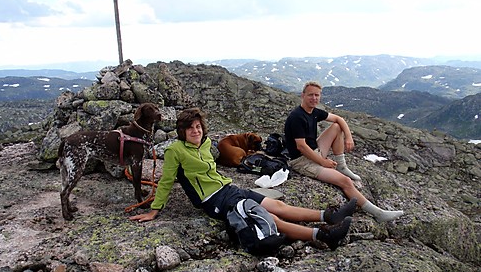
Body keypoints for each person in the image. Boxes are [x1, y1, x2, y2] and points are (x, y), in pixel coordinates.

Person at [130, 107, 356, 250]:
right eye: (190, 128)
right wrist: (154, 210)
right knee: (269, 218)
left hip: (228, 188)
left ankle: (329, 216)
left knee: (277, 205)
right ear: (182, 131)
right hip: (213, 201)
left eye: (198, 127)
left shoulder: (207, 143)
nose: (195, 131)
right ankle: (323, 235)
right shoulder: (175, 151)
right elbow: (167, 181)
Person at [284, 81, 403, 222]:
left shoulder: (314, 112)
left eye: (317, 95)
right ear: (303, 95)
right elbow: (301, 147)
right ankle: (378, 214)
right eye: (310, 95)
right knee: (345, 181)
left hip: (314, 151)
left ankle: (341, 165)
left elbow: (338, 119)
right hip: (302, 161)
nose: (314, 98)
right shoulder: (297, 117)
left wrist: (349, 137)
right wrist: (323, 162)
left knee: (336, 126)